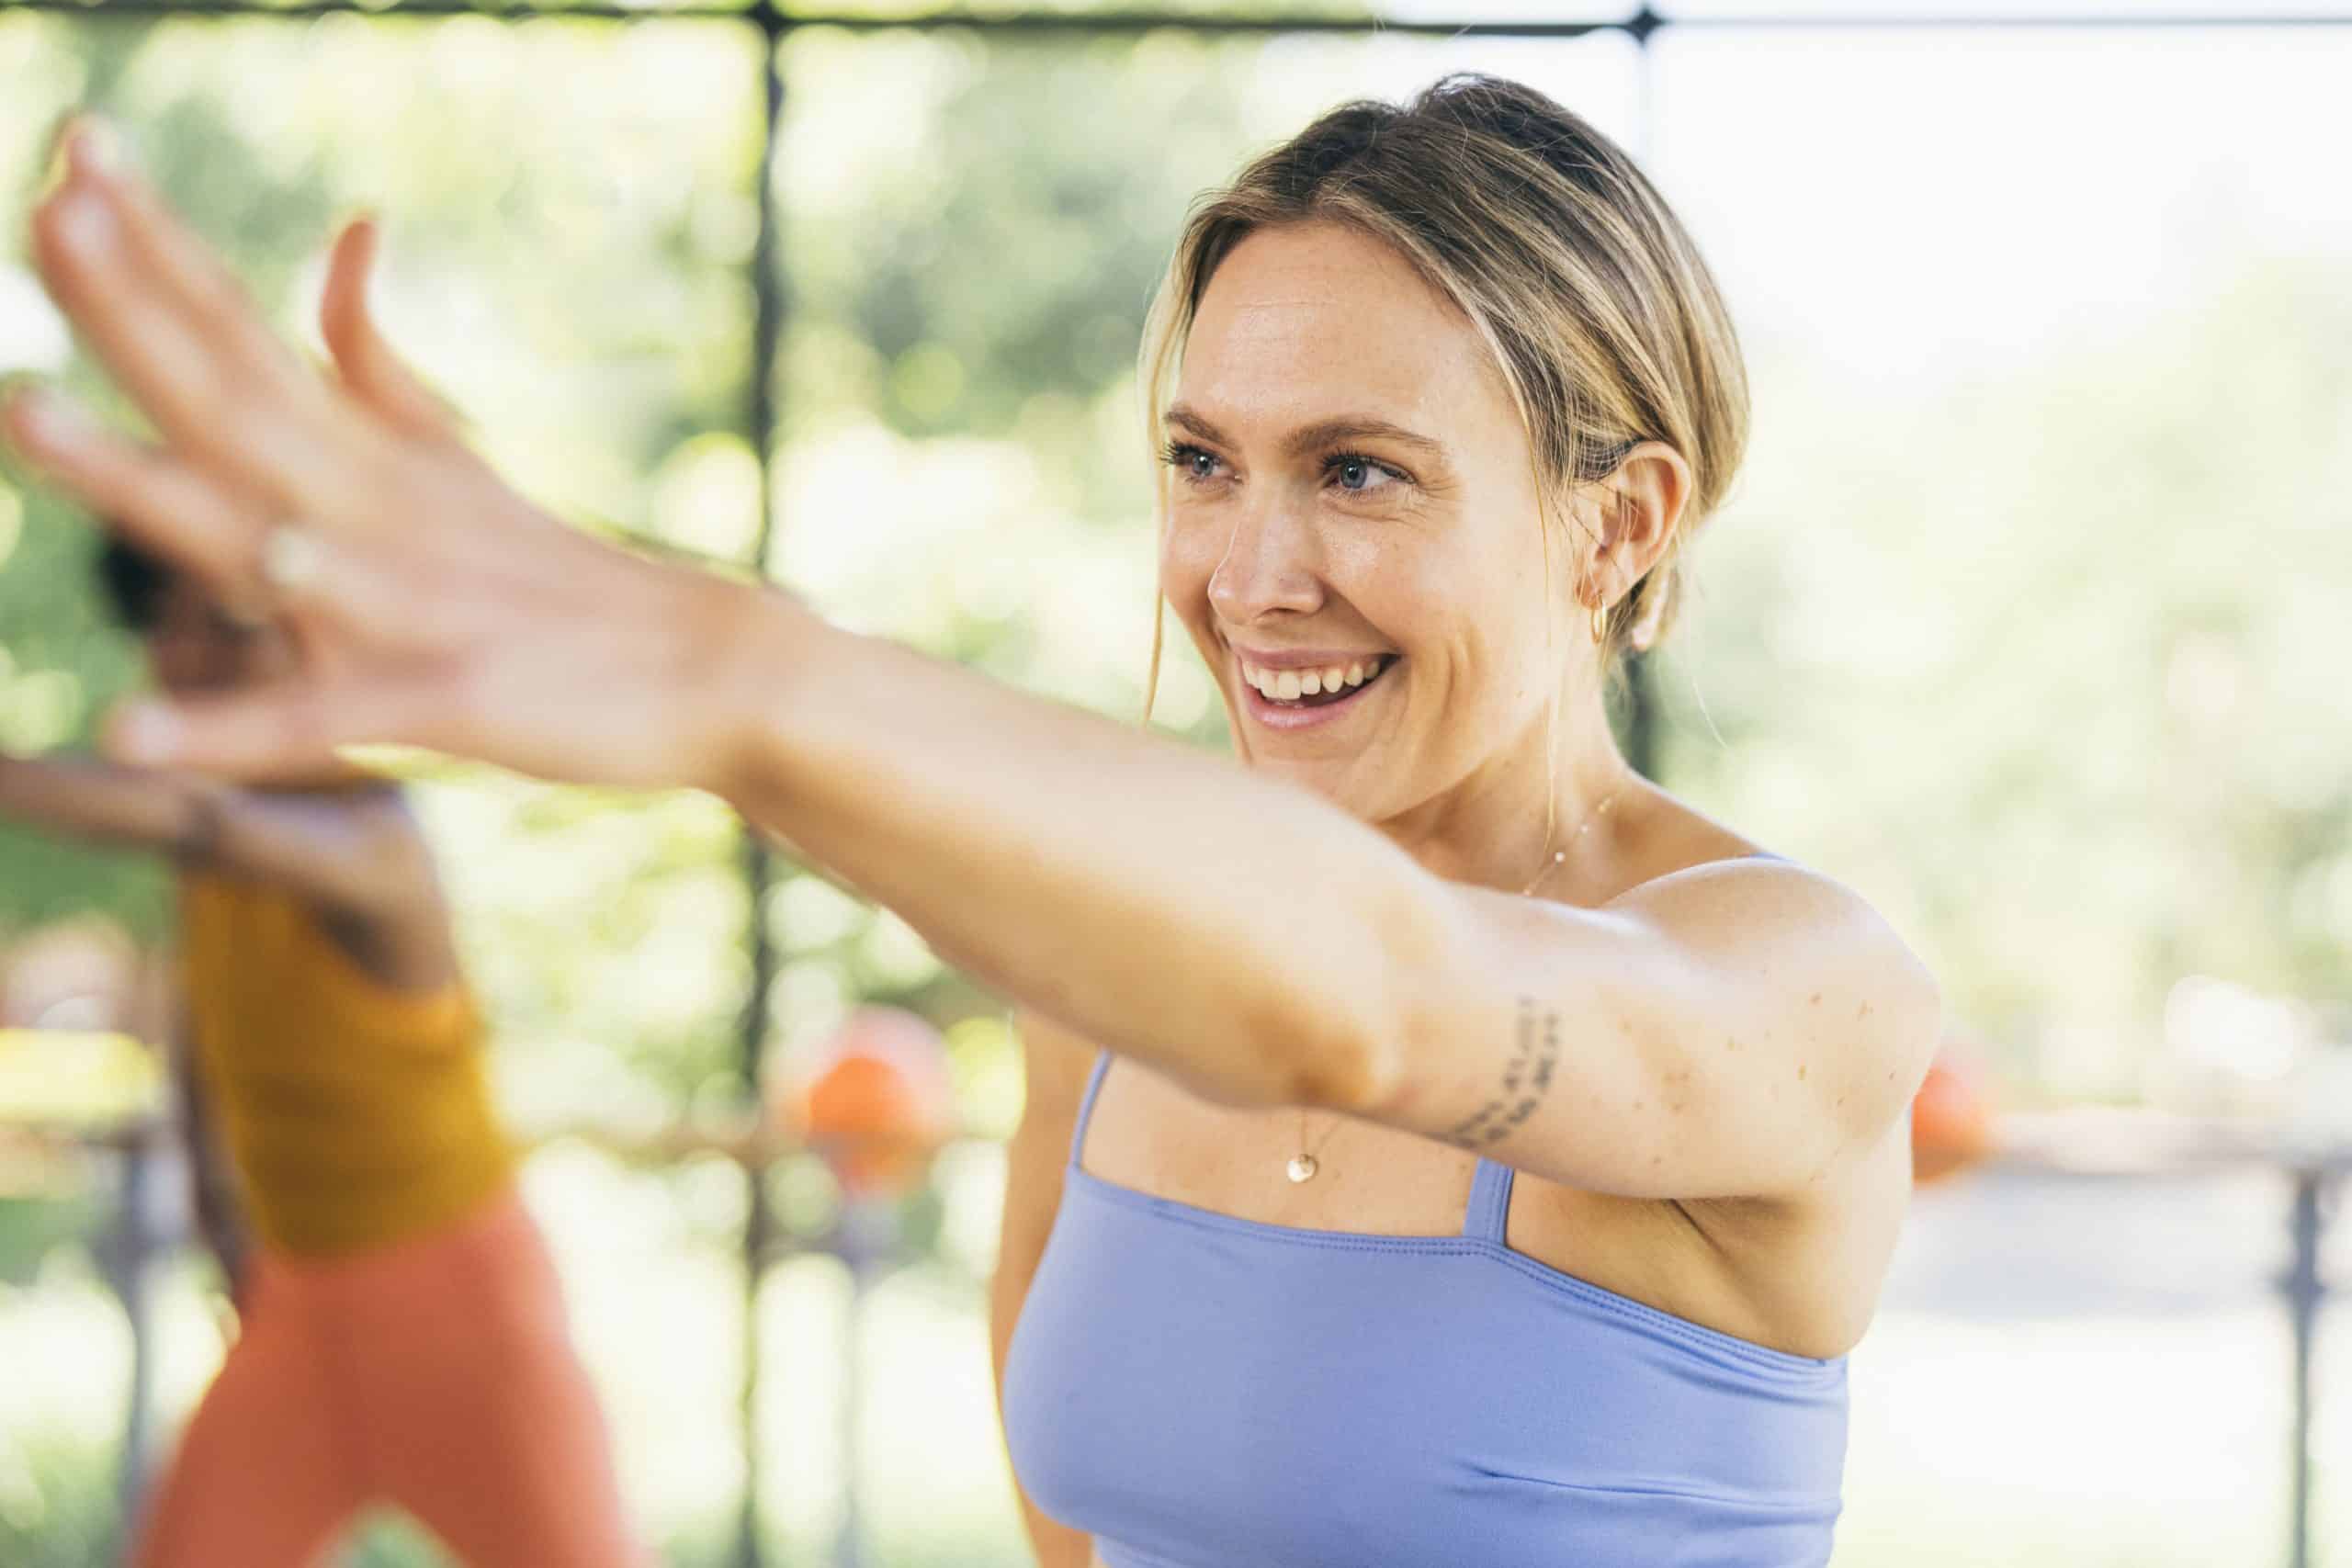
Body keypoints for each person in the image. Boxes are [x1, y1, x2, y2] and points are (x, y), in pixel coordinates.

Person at [5, 73, 1942, 1566]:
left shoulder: (1799, 986)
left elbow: (1381, 1000)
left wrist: (736, 674)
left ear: (1614, 524)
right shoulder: (1096, 984)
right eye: (1201, 460)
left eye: (1356, 470)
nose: (1252, 574)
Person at [0, 540, 645, 1567]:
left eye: (226, 628)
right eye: (168, 624)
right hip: (294, 1302)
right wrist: (231, 1245)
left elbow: (203, 822)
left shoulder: (372, 835)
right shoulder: (207, 858)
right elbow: (207, 1063)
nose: (186, 655)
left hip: (460, 1306)